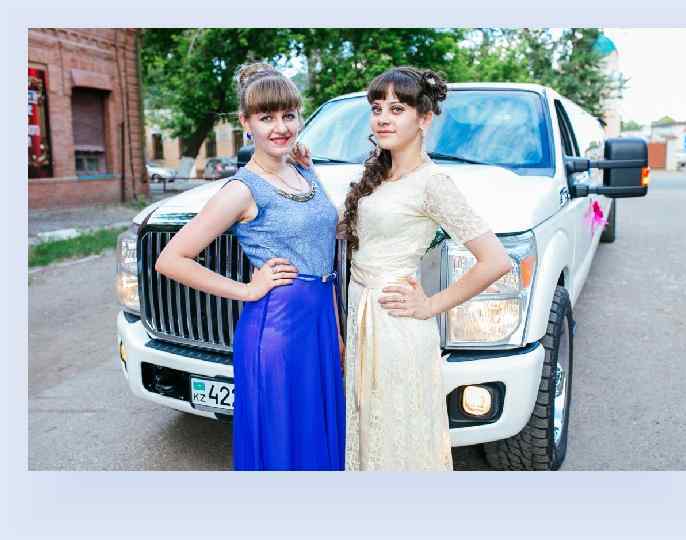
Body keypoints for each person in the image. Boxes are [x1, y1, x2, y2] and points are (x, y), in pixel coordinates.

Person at [155, 63, 345, 471]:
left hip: (320, 325)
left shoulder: (303, 170)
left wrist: (337, 330)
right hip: (278, 330)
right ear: (246, 123)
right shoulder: (242, 189)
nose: (281, 127)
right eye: (266, 117)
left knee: (318, 437)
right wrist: (245, 290)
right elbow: (170, 259)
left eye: (288, 115)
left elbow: (323, 248)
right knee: (283, 444)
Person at [340, 67, 513, 470]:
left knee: (398, 437)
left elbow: (495, 260)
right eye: (377, 108)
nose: (383, 118)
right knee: (368, 433)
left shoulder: (433, 182)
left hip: (396, 326)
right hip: (362, 316)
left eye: (397, 109)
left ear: (424, 119)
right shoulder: (378, 174)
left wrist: (431, 305)